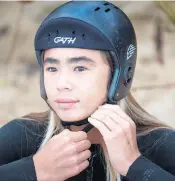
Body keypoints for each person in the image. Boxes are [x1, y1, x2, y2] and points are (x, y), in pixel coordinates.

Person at [0, 1, 175, 181]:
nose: (61, 84)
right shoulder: (24, 135)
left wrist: (134, 164)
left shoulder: (160, 144)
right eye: (52, 68)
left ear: (121, 74)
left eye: (80, 68)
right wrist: (34, 170)